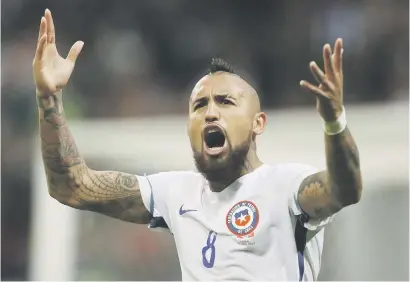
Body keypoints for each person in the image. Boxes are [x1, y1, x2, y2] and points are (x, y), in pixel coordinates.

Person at [33, 9, 362, 281]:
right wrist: (49, 96)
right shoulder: (175, 193)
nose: (210, 112)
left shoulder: (286, 185)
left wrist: (335, 123)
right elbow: (72, 186)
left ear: (258, 123)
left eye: (225, 101)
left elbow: (345, 190)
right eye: (199, 105)